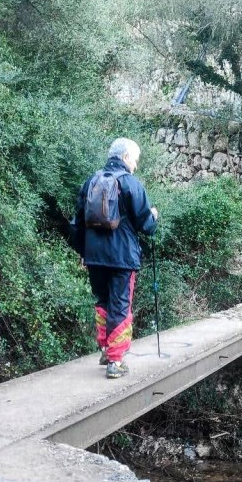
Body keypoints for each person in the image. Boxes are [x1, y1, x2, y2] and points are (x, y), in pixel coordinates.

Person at [71, 138, 158, 379]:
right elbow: (147, 226)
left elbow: (77, 224)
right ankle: (116, 361)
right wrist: (154, 216)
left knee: (103, 301)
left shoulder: (91, 181)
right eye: (136, 160)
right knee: (121, 304)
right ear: (126, 157)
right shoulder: (131, 184)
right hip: (122, 259)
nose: (136, 166)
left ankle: (105, 350)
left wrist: (83, 253)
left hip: (94, 257)